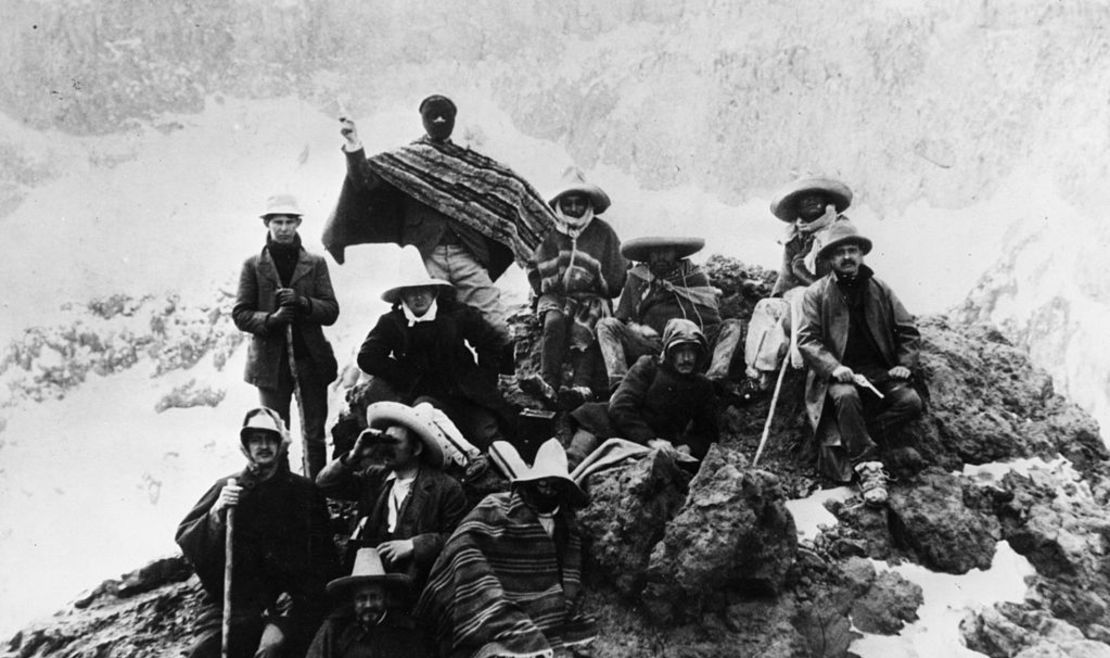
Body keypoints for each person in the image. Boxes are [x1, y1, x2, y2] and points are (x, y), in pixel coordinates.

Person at [326, 95, 557, 338]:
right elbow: (365, 180)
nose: (438, 120)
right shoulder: (406, 162)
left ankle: (504, 376)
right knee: (426, 327)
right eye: (432, 115)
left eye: (444, 115)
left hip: (467, 255)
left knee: (495, 325)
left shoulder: (471, 164)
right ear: (423, 120)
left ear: (453, 120)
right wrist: (353, 144)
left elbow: (511, 189)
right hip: (424, 258)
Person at [176, 407, 338, 658]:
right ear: (246, 446)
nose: (263, 446)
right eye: (255, 439)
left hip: (290, 604)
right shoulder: (227, 488)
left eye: (270, 438)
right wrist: (217, 512)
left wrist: (290, 609)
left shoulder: (305, 492)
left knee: (271, 651)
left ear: (280, 443)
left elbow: (323, 560)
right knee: (203, 651)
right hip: (232, 605)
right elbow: (189, 539)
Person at [416, 438, 595, 657]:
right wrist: (488, 588)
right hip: (493, 594)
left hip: (541, 602)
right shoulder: (497, 506)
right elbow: (463, 546)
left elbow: (567, 570)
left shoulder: (566, 524)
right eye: (542, 483)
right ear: (531, 482)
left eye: (555, 485)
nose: (548, 490)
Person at [796, 222, 923, 506]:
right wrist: (833, 367)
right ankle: (869, 468)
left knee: (911, 402)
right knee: (847, 397)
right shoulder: (816, 293)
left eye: (852, 250)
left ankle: (856, 437)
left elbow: (908, 330)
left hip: (878, 372)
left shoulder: (880, 288)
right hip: (837, 376)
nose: (847, 257)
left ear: (861, 254)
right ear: (829, 259)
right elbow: (807, 340)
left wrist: (904, 363)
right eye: (839, 252)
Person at [356, 245, 512, 450]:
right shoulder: (392, 322)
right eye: (411, 292)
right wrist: (404, 374)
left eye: (423, 290)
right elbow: (367, 357)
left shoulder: (455, 313)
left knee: (486, 434)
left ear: (434, 290)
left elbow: (489, 342)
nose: (418, 297)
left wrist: (484, 378)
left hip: (466, 393)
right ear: (402, 296)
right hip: (424, 397)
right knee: (427, 432)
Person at [232, 194, 339, 479]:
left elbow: (330, 310)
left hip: (311, 361)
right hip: (269, 366)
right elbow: (241, 314)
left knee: (314, 433)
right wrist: (272, 320)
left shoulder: (315, 263)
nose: (283, 228)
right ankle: (280, 494)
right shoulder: (252, 266)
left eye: (289, 221)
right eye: (277, 221)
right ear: (267, 224)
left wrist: (304, 303)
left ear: (298, 223)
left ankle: (318, 495)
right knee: (275, 433)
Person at [316, 401, 469, 596]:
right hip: (371, 589)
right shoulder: (375, 478)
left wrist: (414, 545)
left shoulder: (445, 487)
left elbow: (460, 539)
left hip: (421, 588)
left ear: (416, 449)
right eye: (384, 441)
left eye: (394, 442)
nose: (385, 448)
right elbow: (325, 484)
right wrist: (355, 455)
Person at [522, 167, 627, 409]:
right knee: (554, 323)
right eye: (566, 203)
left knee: (587, 327)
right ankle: (548, 382)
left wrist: (598, 284)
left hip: (590, 296)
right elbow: (532, 262)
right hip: (555, 295)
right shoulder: (547, 230)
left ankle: (581, 386)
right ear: (558, 204)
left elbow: (617, 271)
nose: (572, 208)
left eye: (578, 202)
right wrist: (542, 286)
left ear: (587, 203)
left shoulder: (603, 232)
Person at [743, 177, 853, 393]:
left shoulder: (841, 230)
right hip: (800, 307)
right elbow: (785, 281)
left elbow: (841, 280)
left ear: (826, 200)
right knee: (766, 307)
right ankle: (758, 373)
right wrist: (780, 307)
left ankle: (802, 361)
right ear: (797, 207)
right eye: (804, 199)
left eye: (816, 196)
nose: (811, 201)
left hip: (835, 308)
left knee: (803, 295)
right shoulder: (795, 238)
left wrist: (802, 272)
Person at [595, 236, 743, 391]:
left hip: (694, 343)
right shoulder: (637, 278)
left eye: (666, 252)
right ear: (648, 255)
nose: (660, 257)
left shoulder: (693, 276)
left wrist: (694, 334)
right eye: (655, 252)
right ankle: (619, 383)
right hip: (656, 345)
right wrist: (638, 329)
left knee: (732, 326)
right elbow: (622, 319)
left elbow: (712, 319)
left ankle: (714, 381)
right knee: (606, 325)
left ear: (676, 253)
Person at [568, 318, 719, 468]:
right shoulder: (648, 366)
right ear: (670, 352)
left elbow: (709, 434)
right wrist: (650, 440)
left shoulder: (703, 387)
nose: (686, 358)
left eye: (691, 351)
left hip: (647, 447)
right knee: (574, 461)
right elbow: (620, 406)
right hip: (604, 425)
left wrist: (689, 446)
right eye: (680, 351)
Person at [306, 547, 436, 658]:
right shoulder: (336, 629)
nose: (368, 605)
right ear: (353, 600)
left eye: (374, 597)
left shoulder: (408, 632)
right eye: (361, 599)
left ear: (386, 597)